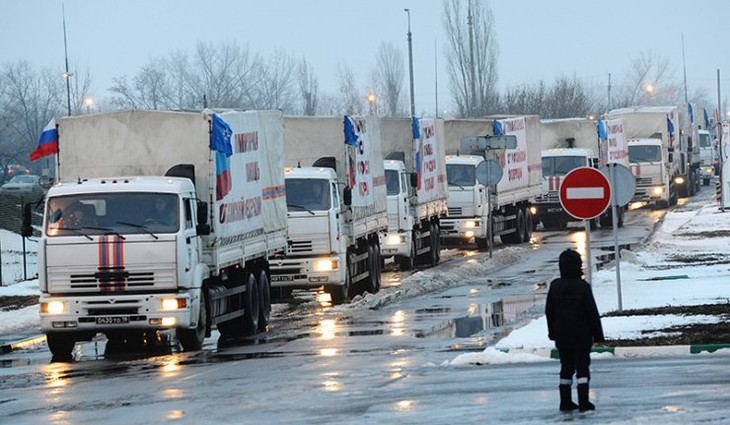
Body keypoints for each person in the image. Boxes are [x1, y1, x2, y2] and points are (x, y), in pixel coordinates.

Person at [545, 249, 605, 412]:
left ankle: (565, 401)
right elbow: (592, 312)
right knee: (582, 368)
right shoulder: (582, 287)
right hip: (581, 336)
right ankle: (584, 401)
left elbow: (549, 312)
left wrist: (552, 332)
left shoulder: (555, 286)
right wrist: (598, 335)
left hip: (562, 336)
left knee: (566, 368)